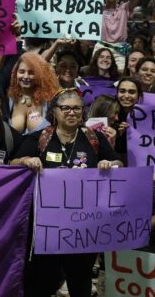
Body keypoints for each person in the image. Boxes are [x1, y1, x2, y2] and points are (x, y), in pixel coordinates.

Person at [12, 89, 121, 297]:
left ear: (83, 112)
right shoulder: (41, 137)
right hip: (47, 226)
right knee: (42, 281)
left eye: (76, 108)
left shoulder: (94, 138)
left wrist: (110, 163)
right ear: (55, 111)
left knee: (80, 280)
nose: (71, 112)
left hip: (82, 226)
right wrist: (26, 160)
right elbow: (13, 162)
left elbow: (118, 162)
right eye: (65, 108)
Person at [7, 52, 59, 134]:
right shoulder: (10, 97)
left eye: (31, 73)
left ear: (39, 75)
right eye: (21, 71)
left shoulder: (49, 99)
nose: (26, 76)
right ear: (16, 73)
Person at [114, 77, 143, 165]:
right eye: (122, 91)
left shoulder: (147, 117)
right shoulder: (109, 115)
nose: (126, 96)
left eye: (131, 92)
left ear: (139, 96)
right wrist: (119, 135)